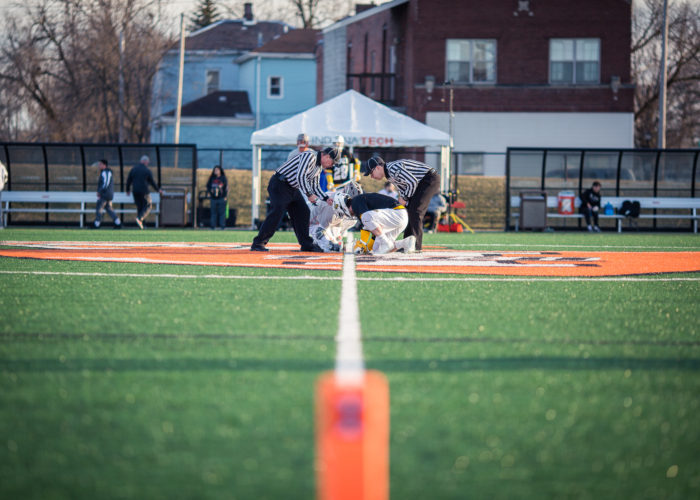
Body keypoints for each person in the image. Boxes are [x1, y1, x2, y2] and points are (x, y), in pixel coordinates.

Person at [251, 147, 339, 252]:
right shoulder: (310, 156)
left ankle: (306, 245)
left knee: (303, 212)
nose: (332, 165)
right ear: (327, 156)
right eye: (332, 162)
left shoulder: (318, 167)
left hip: (292, 187)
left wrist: (326, 198)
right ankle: (258, 243)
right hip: (280, 184)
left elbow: (315, 186)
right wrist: (309, 194)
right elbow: (300, 176)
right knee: (277, 212)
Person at [361, 156, 440, 251]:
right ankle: (407, 244)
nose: (371, 176)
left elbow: (412, 182)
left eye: (371, 172)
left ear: (377, 168)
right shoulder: (389, 174)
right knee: (408, 211)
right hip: (422, 181)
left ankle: (415, 247)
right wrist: (403, 198)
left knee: (416, 211)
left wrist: (405, 197)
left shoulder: (393, 169)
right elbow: (404, 186)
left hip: (429, 179)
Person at [333, 192, 416, 255]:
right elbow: (371, 228)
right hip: (398, 216)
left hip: (397, 213)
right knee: (378, 250)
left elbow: (367, 220)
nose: (345, 214)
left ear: (343, 206)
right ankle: (405, 242)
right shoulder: (359, 203)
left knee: (366, 217)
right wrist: (366, 247)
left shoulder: (356, 202)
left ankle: (385, 242)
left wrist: (362, 244)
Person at [309, 180, 363, 252]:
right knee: (329, 247)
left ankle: (331, 239)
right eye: (351, 202)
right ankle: (316, 242)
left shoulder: (340, 201)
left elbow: (337, 221)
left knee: (351, 220)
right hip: (313, 224)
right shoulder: (332, 203)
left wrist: (337, 238)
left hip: (326, 222)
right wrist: (330, 243)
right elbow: (320, 230)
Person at [126, 155, 162, 229]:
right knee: (148, 205)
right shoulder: (146, 170)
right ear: (145, 162)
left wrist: (127, 190)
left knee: (140, 207)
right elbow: (152, 182)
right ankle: (140, 219)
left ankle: (142, 225)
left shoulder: (134, 169)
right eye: (147, 162)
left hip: (135, 191)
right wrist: (158, 190)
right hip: (144, 191)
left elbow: (129, 180)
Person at [93, 159, 121, 229]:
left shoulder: (106, 172)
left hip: (105, 194)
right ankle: (118, 222)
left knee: (99, 208)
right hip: (108, 194)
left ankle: (97, 224)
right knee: (109, 208)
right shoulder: (105, 172)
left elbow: (105, 184)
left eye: (100, 164)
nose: (99, 166)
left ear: (104, 165)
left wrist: (100, 191)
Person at [206, 165, 228, 230]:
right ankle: (212, 226)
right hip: (213, 198)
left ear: (220, 171)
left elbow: (226, 188)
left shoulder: (223, 178)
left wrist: (225, 196)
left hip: (221, 198)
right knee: (213, 213)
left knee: (222, 213)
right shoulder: (212, 178)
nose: (216, 171)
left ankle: (222, 226)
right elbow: (208, 186)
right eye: (215, 170)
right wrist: (210, 192)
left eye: (217, 170)